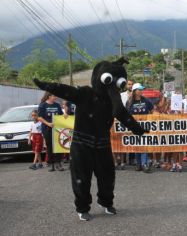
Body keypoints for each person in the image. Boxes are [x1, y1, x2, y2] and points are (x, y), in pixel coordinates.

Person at [34, 58, 146, 221]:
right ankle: (82, 207)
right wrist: (46, 86)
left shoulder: (112, 100)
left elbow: (122, 114)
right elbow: (65, 90)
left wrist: (138, 129)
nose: (112, 84)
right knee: (81, 178)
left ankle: (106, 202)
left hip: (103, 144)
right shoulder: (86, 93)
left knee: (107, 176)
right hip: (81, 144)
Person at [127, 83, 154, 173]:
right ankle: (138, 164)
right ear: (135, 91)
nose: (141, 91)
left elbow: (152, 111)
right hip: (134, 127)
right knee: (137, 146)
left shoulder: (146, 100)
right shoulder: (129, 102)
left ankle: (144, 164)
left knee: (144, 145)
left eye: (142, 89)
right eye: (140, 89)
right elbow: (126, 114)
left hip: (144, 127)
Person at [37, 92, 64, 172]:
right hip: (47, 128)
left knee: (58, 145)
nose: (55, 97)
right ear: (49, 97)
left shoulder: (57, 105)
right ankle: (51, 164)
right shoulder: (42, 105)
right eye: (54, 96)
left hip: (57, 128)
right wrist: (48, 123)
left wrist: (65, 115)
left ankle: (58, 163)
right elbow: (39, 117)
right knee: (49, 146)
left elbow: (61, 115)